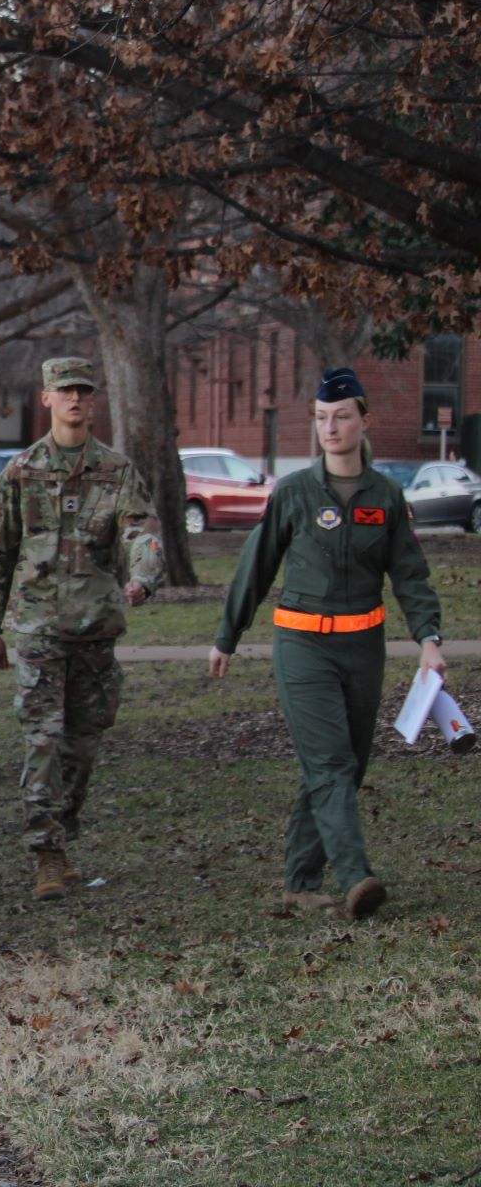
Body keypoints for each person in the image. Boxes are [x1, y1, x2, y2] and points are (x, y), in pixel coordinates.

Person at [209, 367, 444, 920]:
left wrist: (429, 639)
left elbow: (410, 575)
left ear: (365, 420)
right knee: (331, 762)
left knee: (345, 766)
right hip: (303, 646)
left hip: (363, 648)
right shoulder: (294, 492)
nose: (330, 428)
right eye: (320, 418)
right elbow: (256, 565)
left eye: (341, 417)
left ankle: (299, 880)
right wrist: (228, 635)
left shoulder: (385, 495)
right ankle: (356, 875)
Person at [0, 357, 164, 902]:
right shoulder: (21, 472)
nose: (75, 399)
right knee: (44, 739)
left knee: (83, 743)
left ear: (93, 399)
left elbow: (140, 531)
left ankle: (65, 835)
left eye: (84, 390)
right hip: (38, 628)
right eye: (65, 391)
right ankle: (47, 854)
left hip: (95, 628)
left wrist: (144, 577)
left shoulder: (116, 470)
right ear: (46, 398)